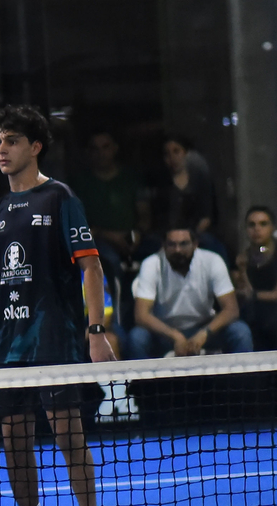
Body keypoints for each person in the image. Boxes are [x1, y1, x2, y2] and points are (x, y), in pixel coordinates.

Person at [0, 104, 114, 506]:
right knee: (14, 440)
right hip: (9, 346)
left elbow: (91, 266)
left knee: (67, 435)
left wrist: (96, 331)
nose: (2, 149)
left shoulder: (60, 197)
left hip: (54, 339)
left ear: (35, 146)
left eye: (12, 141)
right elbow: (0, 285)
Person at [127, 227, 252, 358]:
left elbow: (231, 310)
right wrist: (175, 335)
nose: (177, 250)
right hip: (164, 332)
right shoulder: (151, 264)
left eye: (184, 244)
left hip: (204, 328)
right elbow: (141, 315)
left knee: (240, 331)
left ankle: (242, 372)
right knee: (137, 337)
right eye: (171, 244)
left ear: (195, 244)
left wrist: (204, 333)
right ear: (163, 246)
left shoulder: (212, 260)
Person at [69, 130, 149, 275]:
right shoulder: (80, 183)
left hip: (132, 238)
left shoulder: (131, 178)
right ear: (88, 152)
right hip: (98, 240)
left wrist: (137, 234)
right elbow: (75, 224)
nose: (101, 153)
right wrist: (109, 236)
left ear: (115, 148)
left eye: (105, 147)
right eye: (95, 149)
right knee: (109, 261)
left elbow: (144, 214)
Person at [150, 133, 227, 260]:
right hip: (167, 235)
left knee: (213, 245)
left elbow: (206, 217)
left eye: (176, 151)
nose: (172, 157)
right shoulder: (161, 184)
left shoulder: (200, 181)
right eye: (167, 154)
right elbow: (159, 218)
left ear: (186, 153)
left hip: (197, 234)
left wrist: (190, 237)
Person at [234, 205, 277, 351]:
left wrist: (253, 295)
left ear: (272, 227)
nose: (257, 229)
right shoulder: (245, 257)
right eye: (252, 225)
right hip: (255, 316)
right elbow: (245, 292)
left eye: (263, 224)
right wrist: (242, 270)